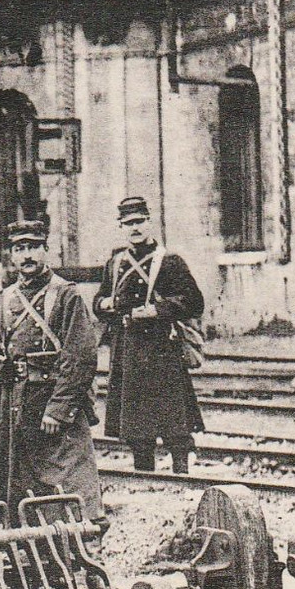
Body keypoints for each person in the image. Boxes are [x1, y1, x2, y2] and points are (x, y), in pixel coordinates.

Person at [0, 220, 103, 523]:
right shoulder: (4, 299)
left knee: (72, 483)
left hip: (54, 408)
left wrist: (60, 409)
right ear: (11, 255)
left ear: (46, 250)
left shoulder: (66, 295)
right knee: (19, 487)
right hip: (16, 404)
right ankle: (30, 550)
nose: (27, 256)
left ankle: (85, 548)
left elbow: (80, 357)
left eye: (33, 247)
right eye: (19, 248)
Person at [94, 196, 206, 475]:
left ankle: (181, 473)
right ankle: (144, 473)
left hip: (162, 350)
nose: (135, 228)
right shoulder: (115, 262)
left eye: (140, 222)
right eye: (128, 223)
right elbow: (99, 300)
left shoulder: (169, 262)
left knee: (173, 419)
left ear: (149, 222)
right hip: (128, 349)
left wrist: (157, 310)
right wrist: (104, 304)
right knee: (136, 422)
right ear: (120, 226)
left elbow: (194, 302)